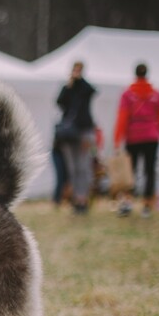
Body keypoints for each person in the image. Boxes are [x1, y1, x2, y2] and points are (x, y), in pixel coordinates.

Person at [113, 63, 159, 218]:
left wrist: (117, 139)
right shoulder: (156, 94)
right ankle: (147, 205)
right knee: (149, 171)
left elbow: (122, 117)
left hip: (133, 137)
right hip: (151, 136)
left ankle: (127, 203)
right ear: (147, 74)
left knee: (130, 172)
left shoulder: (127, 94)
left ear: (135, 74)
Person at [55, 62, 97, 214]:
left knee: (83, 167)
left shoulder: (85, 88)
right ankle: (75, 199)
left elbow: (92, 92)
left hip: (84, 131)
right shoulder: (68, 88)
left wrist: (80, 81)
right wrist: (70, 84)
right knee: (72, 168)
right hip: (69, 134)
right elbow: (59, 102)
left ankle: (82, 198)